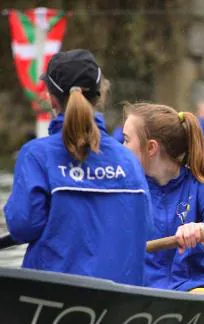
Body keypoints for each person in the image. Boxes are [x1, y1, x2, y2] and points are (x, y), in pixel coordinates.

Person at [3, 49, 151, 285]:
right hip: (122, 304)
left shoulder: (35, 155)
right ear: (101, 94)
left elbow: (22, 226)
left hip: (49, 296)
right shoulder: (128, 161)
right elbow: (145, 227)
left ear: (51, 98)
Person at [123, 103, 204, 294]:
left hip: (195, 288)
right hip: (140, 291)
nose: (122, 148)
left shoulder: (202, 187)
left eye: (126, 140)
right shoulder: (126, 189)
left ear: (151, 147)